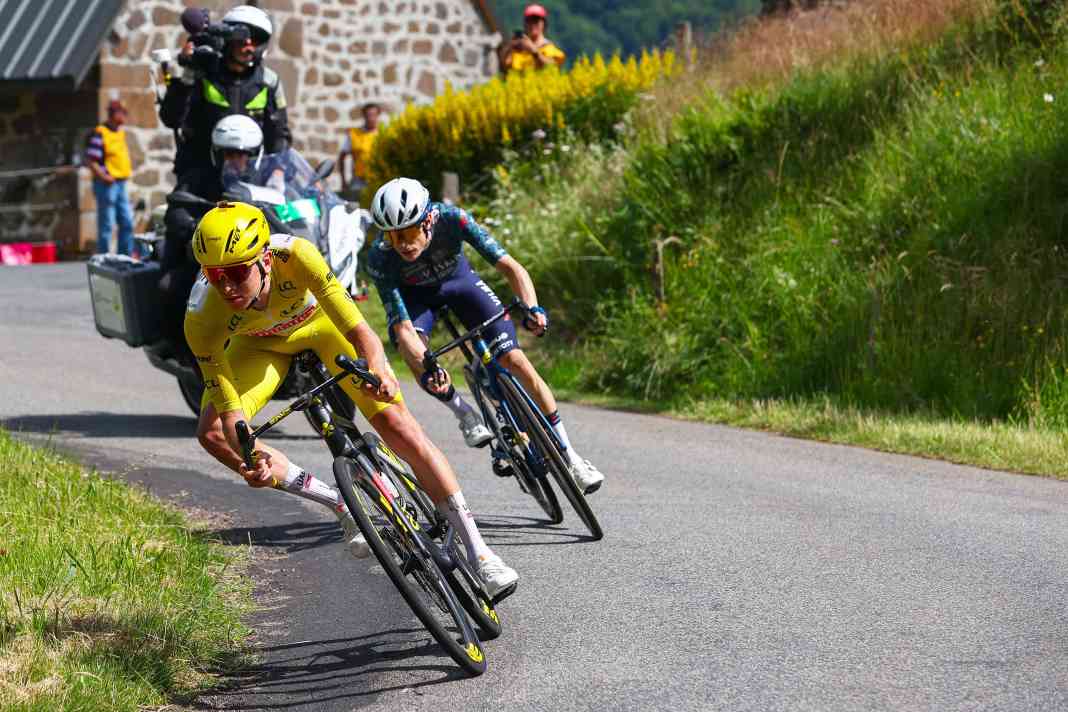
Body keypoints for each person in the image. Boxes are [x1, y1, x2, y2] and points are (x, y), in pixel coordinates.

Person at [185, 202, 519, 598]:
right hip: (260, 347)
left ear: (265, 260)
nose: (226, 287)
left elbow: (359, 331)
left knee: (398, 425)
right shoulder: (201, 316)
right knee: (214, 434)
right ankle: (340, 504)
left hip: (322, 327)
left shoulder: (297, 256)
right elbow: (230, 413)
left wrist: (380, 370)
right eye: (215, 275)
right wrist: (251, 457)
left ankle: (481, 553)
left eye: (238, 273)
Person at [365, 178, 604, 494]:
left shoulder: (453, 219)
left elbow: (511, 267)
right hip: (416, 300)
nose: (403, 244)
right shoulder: (380, 257)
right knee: (413, 350)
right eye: (393, 236)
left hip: (459, 283)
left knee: (515, 360)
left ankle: (571, 457)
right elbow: (403, 327)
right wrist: (428, 363)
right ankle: (463, 412)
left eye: (408, 233)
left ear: (427, 221)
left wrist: (532, 308)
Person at [85, 100, 134, 256]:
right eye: (123, 112)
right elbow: (91, 160)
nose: (125, 116)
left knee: (127, 221)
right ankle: (104, 256)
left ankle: (124, 256)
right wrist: (104, 176)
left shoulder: (120, 132)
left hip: (121, 183)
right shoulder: (101, 133)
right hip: (107, 184)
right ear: (115, 114)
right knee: (107, 224)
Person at [498, 4, 566, 73]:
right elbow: (504, 67)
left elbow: (552, 67)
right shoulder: (518, 51)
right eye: (529, 21)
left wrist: (534, 52)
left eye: (536, 20)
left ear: (544, 24)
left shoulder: (550, 49)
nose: (532, 24)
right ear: (525, 24)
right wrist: (509, 47)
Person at [338, 103, 381, 198]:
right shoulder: (354, 134)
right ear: (364, 116)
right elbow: (342, 157)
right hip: (359, 180)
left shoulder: (383, 133)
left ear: (378, 116)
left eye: (373, 115)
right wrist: (343, 181)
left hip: (378, 180)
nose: (371, 118)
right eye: (368, 115)